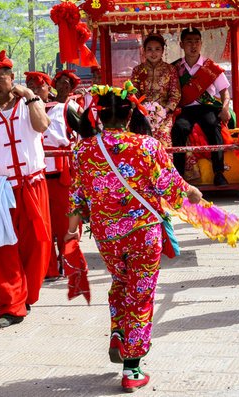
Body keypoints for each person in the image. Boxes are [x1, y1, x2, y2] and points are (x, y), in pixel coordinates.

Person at [67, 82, 202, 392]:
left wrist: (71, 228)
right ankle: (132, 366)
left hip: (106, 235)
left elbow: (77, 195)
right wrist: (194, 194)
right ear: (129, 116)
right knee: (140, 293)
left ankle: (118, 331)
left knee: (121, 283)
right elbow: (171, 188)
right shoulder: (147, 146)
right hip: (143, 234)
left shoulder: (83, 150)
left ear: (99, 116)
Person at [0, 50, 52, 329]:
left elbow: (42, 125)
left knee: (38, 245)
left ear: (11, 78)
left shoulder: (29, 104)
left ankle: (26, 294)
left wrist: (29, 95)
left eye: (0, 79)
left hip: (33, 184)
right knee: (3, 249)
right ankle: (11, 305)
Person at [25, 70, 81, 279]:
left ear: (49, 88)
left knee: (66, 223)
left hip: (61, 175)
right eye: (30, 84)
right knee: (41, 226)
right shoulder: (22, 110)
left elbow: (88, 132)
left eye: (39, 85)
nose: (34, 89)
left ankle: (69, 263)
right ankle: (46, 268)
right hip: (34, 175)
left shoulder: (66, 108)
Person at [172, 27, 231, 186]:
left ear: (201, 43)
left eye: (196, 41)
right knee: (179, 128)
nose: (193, 45)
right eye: (189, 42)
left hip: (207, 108)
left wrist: (225, 108)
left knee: (213, 126)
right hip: (186, 109)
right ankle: (178, 175)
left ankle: (219, 172)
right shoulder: (175, 68)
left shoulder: (210, 67)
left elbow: (225, 92)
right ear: (181, 44)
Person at [130, 32, 181, 146]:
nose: (153, 53)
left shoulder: (170, 69)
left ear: (162, 51)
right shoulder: (137, 70)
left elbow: (175, 94)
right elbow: (133, 93)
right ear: (144, 51)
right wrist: (142, 109)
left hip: (165, 114)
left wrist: (164, 111)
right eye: (150, 49)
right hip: (142, 113)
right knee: (136, 137)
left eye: (157, 49)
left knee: (163, 134)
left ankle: (164, 163)